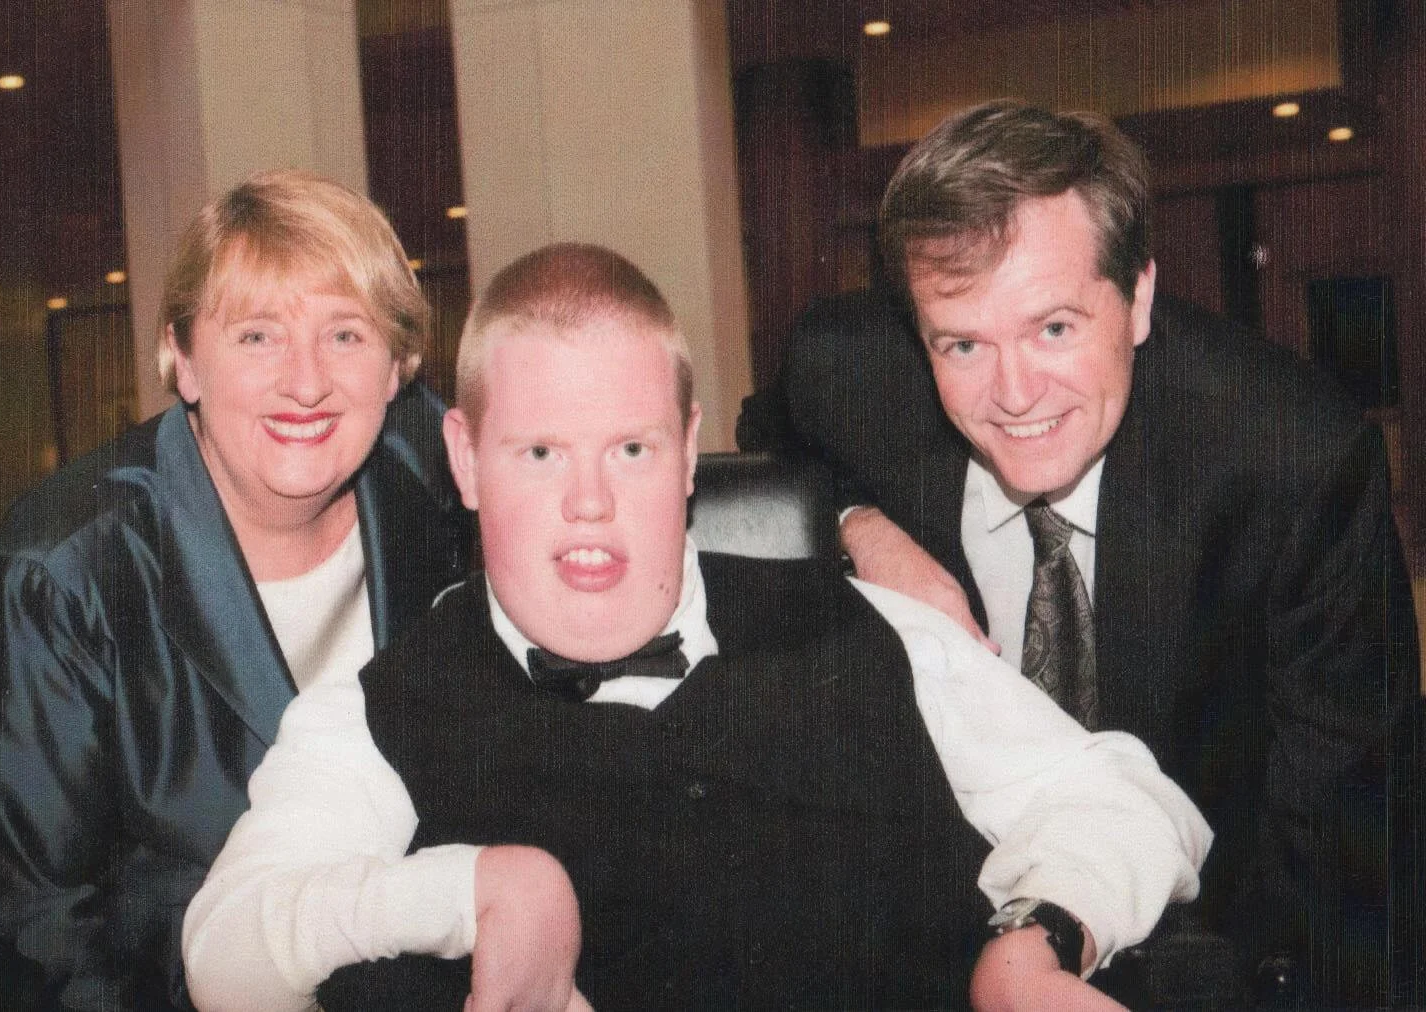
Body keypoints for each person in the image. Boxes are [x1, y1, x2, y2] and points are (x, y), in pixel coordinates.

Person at [183, 242, 1211, 1011]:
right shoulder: (376, 714)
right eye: (540, 453)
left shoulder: (870, 628)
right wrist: (476, 887)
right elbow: (222, 945)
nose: (589, 500)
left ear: (685, 452)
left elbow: (1131, 802)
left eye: (628, 449)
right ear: (464, 458)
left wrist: (1034, 942)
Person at [743, 100, 1421, 1006]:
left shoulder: (1291, 457)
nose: (1015, 393)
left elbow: (1343, 842)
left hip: (1212, 949)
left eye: (1054, 327)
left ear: (1138, 296)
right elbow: (766, 450)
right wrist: (856, 525)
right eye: (964, 343)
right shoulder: (846, 370)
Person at [0, 170, 476, 1009]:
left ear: (401, 365)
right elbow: (22, 933)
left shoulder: (440, 484)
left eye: (346, 335)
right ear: (182, 361)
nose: (306, 383)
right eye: (256, 337)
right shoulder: (64, 571)